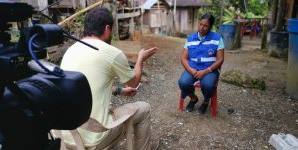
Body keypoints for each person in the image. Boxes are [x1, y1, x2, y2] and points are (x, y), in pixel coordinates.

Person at [60, 7, 157, 150]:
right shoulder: (111, 53)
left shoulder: (71, 50)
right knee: (144, 108)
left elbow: (86, 86)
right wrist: (140, 59)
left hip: (66, 133)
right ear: (107, 29)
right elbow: (134, 81)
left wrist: (119, 90)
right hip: (94, 137)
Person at [178, 13, 224, 114]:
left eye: (205, 25)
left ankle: (206, 101)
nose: (201, 28)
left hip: (209, 70)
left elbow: (220, 59)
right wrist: (191, 70)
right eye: (200, 24)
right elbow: (183, 58)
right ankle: (194, 98)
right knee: (183, 82)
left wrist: (207, 70)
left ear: (210, 26)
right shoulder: (190, 38)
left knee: (207, 85)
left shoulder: (217, 38)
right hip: (193, 69)